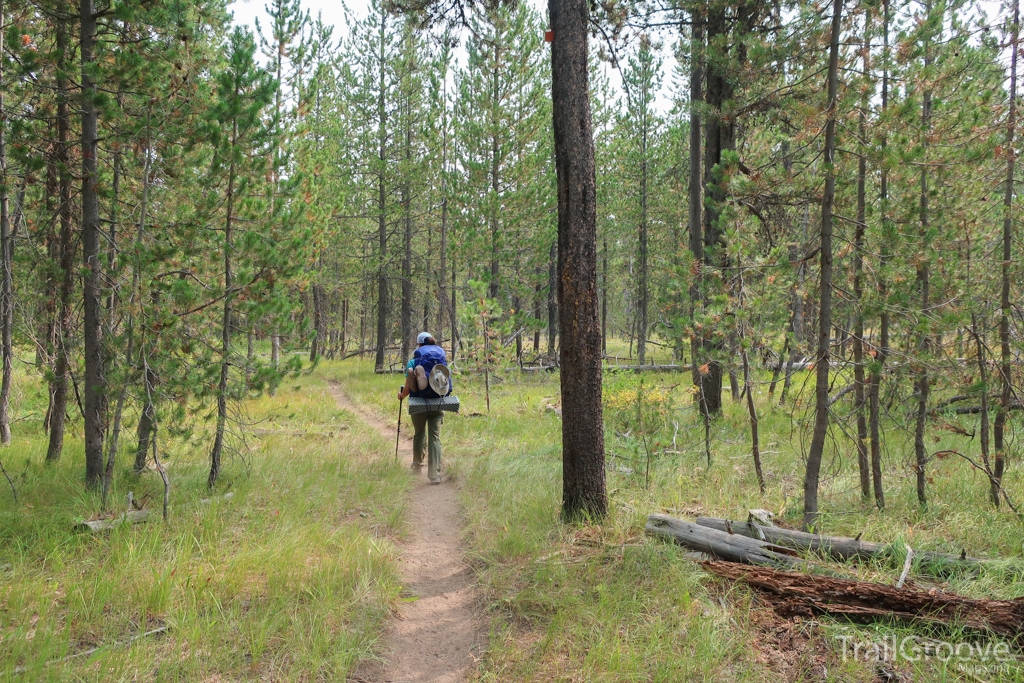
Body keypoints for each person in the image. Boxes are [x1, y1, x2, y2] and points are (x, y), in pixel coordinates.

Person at [398, 332, 446, 484]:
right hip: (437, 403)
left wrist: (401, 396)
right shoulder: (440, 357)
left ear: (419, 345)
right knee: (435, 437)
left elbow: (406, 389)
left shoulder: (413, 362)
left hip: (419, 403)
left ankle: (417, 466)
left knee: (419, 434)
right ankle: (435, 474)